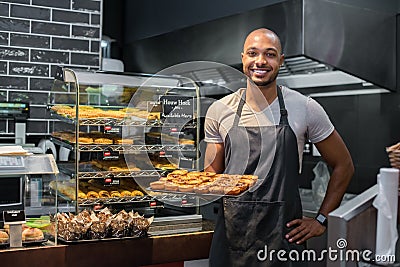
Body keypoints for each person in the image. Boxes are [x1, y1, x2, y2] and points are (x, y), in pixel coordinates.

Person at [204, 28, 354, 266]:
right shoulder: (219, 111)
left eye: (270, 54)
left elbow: (344, 165)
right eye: (253, 53)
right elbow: (211, 175)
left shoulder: (305, 108)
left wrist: (321, 220)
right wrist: (185, 187)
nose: (260, 61)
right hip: (231, 240)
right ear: (243, 57)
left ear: (281, 61)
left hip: (283, 241)